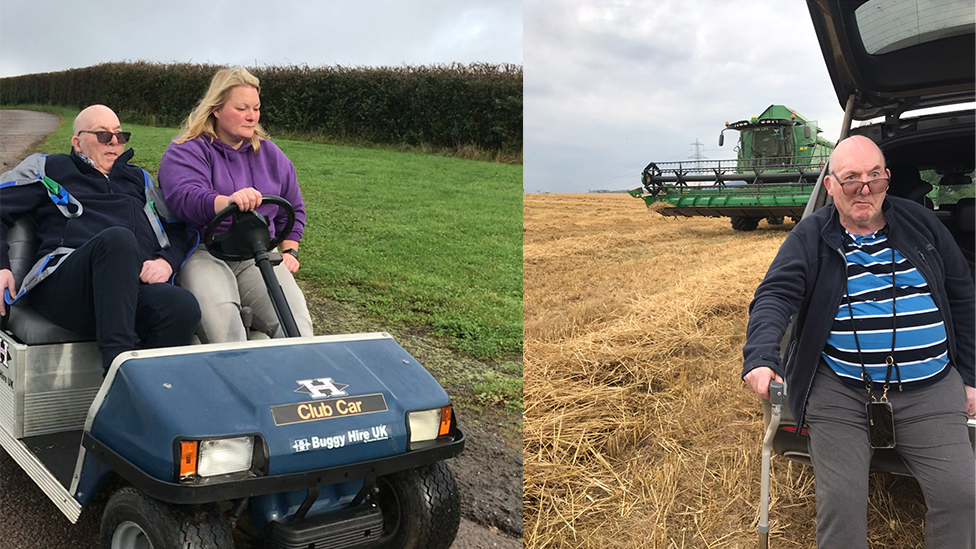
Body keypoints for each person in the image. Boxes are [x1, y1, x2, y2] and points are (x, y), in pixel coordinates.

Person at [741, 135, 975, 548]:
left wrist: (971, 377)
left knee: (963, 495)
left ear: (888, 178)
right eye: (851, 179)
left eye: (874, 177)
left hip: (932, 387)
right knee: (841, 504)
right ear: (830, 186)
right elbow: (775, 295)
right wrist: (761, 355)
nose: (864, 189)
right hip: (841, 390)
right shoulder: (811, 235)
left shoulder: (923, 225)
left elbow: (962, 297)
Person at [0, 105, 200, 371]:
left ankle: (157, 392)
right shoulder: (50, 169)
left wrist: (166, 261)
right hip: (68, 286)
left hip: (130, 287)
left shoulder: (139, 179)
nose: (115, 142)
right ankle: (120, 375)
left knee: (181, 306)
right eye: (104, 136)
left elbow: (179, 228)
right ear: (78, 143)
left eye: (120, 135)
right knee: (118, 241)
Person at [157, 66, 313, 343]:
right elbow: (184, 196)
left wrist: (291, 249)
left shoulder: (270, 154)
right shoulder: (187, 150)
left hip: (257, 253)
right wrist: (224, 201)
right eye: (241, 108)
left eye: (256, 108)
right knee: (225, 331)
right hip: (203, 250)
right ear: (216, 109)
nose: (251, 116)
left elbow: (294, 206)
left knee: (297, 327)